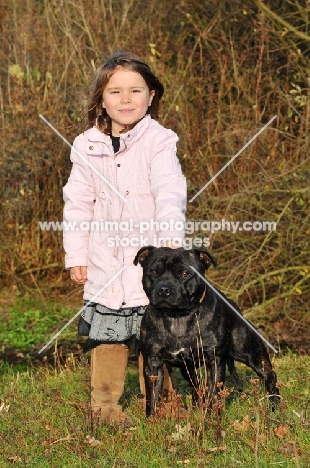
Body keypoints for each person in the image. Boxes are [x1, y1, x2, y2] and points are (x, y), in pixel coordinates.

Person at [63, 50, 187, 425]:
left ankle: (162, 400)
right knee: (109, 335)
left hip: (151, 260)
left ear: (151, 96)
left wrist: (170, 240)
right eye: (115, 92)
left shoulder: (159, 141)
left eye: (136, 90)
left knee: (156, 333)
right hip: (104, 257)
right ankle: (104, 407)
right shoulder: (86, 145)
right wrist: (76, 255)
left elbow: (169, 191)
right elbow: (78, 203)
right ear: (101, 98)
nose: (126, 99)